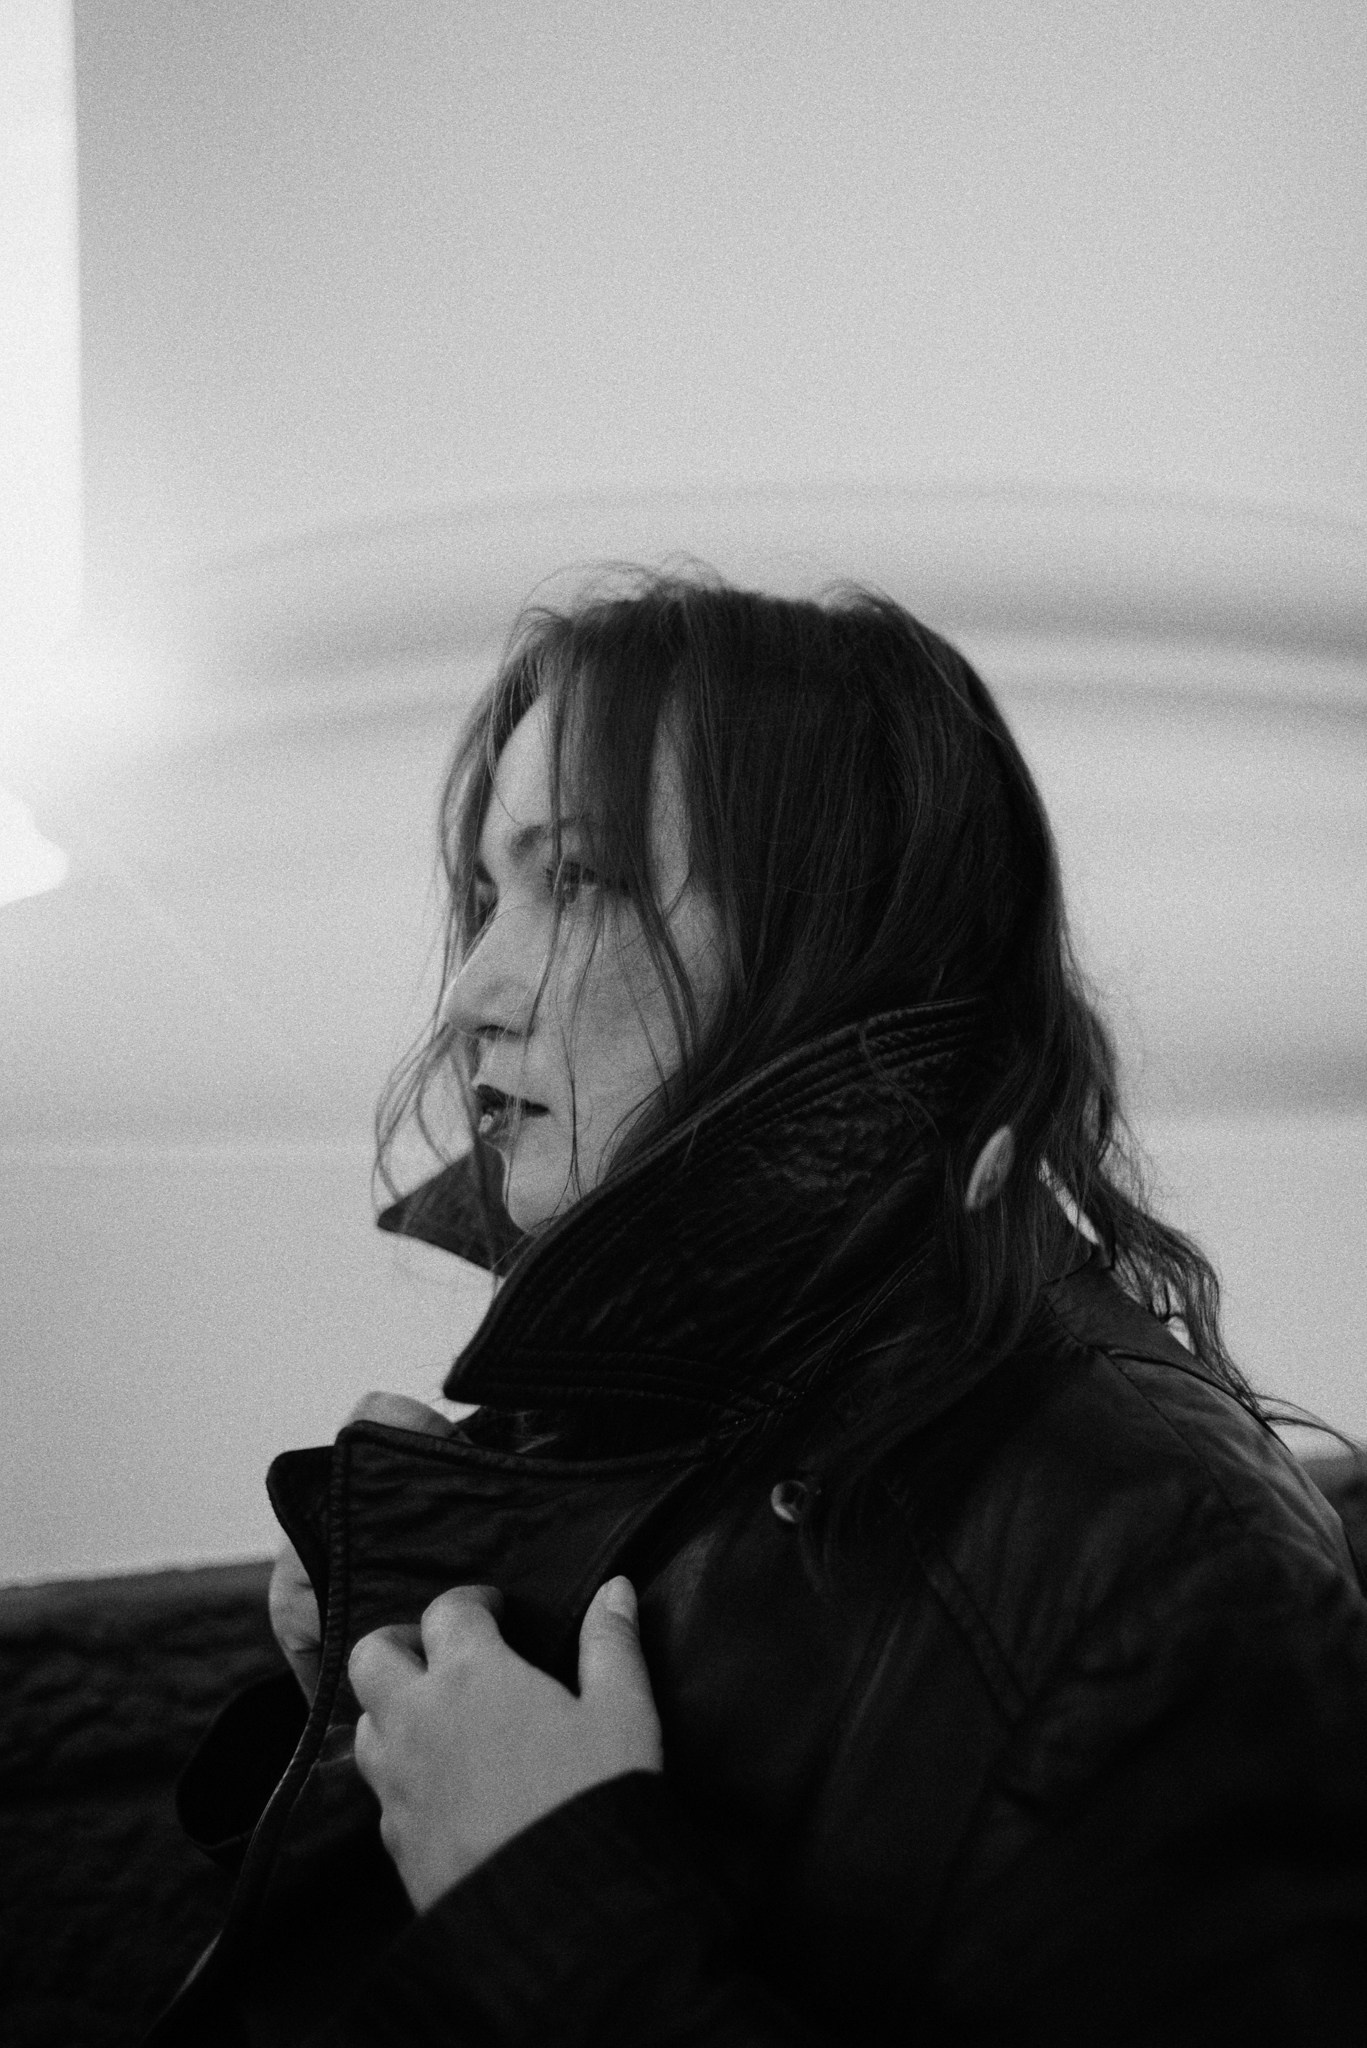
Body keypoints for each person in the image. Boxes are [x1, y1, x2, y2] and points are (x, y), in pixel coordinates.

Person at [149, 570, 1367, 2046]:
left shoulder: (1167, 1568)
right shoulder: (658, 1397)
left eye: (577, 879)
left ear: (833, 941)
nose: (470, 988)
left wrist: (551, 1908)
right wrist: (380, 1714)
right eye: (486, 895)